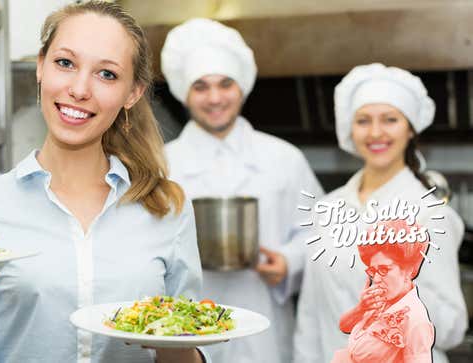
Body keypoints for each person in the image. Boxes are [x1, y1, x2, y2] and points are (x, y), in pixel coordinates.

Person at [0, 2, 208, 362]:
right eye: (65, 63)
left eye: (107, 74)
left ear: (132, 93)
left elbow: (188, 339)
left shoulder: (167, 208)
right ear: (41, 67)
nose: (79, 88)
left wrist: (173, 336)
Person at [161, 18, 324, 363]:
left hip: (265, 324)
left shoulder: (284, 158)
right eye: (201, 87)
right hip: (185, 330)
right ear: (184, 94)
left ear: (243, 87)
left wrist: (289, 262)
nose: (215, 98)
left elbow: (324, 235)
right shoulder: (161, 164)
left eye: (225, 84)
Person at [294, 63, 467, 363]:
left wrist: (402, 289)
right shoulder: (327, 209)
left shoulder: (428, 213)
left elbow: (452, 327)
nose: (375, 132)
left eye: (390, 119)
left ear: (410, 128)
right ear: (350, 128)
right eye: (363, 120)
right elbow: (310, 315)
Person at [332, 219, 435, 362]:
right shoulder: (378, 301)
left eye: (384, 270)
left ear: (409, 269)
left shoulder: (416, 321)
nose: (377, 279)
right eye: (373, 271)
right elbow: (343, 326)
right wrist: (361, 309)